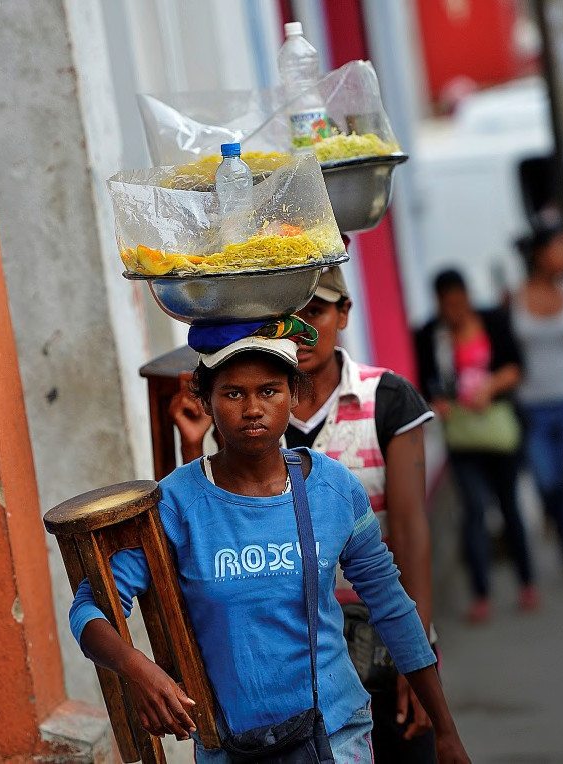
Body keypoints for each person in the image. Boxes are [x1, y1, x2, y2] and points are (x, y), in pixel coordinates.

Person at [69, 319, 470, 763]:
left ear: (293, 394)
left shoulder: (333, 489)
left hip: (335, 735)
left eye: (269, 391)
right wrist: (136, 668)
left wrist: (446, 731)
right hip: (229, 744)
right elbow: (89, 609)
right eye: (233, 394)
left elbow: (391, 604)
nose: (253, 409)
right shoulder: (174, 504)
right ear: (205, 399)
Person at [171, 268, 439, 761]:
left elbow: (404, 540)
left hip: (369, 641)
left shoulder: (379, 407)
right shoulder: (238, 446)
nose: (253, 407)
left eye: (316, 311)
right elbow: (205, 519)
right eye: (234, 393)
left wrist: (419, 656)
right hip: (272, 672)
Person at [415, 269, 538, 623]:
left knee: (509, 505)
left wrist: (489, 388)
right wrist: (438, 401)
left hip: (500, 430)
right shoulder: (430, 335)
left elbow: (516, 366)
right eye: (447, 304)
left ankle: (526, 582)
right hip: (462, 437)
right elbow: (426, 383)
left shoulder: (493, 321)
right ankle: (481, 593)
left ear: (467, 296)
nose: (454, 310)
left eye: (459, 302)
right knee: (473, 509)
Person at [512, 225, 563, 580]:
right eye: (560, 248)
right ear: (540, 254)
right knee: (547, 482)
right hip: (533, 406)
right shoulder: (515, 298)